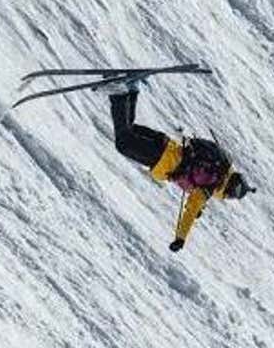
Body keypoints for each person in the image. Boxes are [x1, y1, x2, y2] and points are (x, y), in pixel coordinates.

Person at [108, 86, 254, 251]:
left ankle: (130, 91)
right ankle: (119, 93)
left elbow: (196, 196)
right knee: (123, 142)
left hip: (166, 144)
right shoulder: (210, 187)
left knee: (129, 129)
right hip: (162, 159)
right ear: (229, 191)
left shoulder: (219, 167)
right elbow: (189, 214)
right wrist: (180, 238)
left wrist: (199, 206)